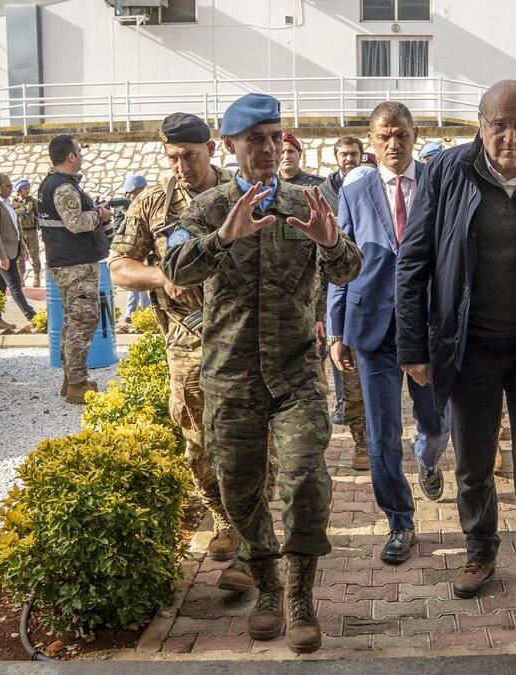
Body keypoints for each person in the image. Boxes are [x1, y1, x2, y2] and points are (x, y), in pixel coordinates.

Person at [161, 93, 361, 654]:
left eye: (277, 137)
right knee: (241, 491)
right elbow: (174, 267)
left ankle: (300, 596)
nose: (270, 148)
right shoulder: (204, 210)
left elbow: (350, 268)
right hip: (231, 376)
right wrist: (224, 237)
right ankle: (267, 588)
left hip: (296, 374)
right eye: (257, 140)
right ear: (230, 147)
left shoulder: (308, 200)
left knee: (304, 482)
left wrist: (331, 242)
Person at [395, 79, 516, 642]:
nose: (509, 138)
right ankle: (480, 546)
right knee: (475, 461)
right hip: (469, 345)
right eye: (498, 125)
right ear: (480, 124)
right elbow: (414, 264)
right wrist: (413, 347)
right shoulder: (446, 172)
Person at [109, 112, 241, 562]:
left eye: (189, 155)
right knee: (197, 439)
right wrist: (161, 277)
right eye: (172, 157)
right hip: (187, 339)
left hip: (242, 337)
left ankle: (250, 534)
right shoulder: (152, 204)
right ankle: (224, 522)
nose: (181, 165)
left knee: (248, 438)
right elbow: (120, 265)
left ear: (211, 149)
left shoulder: (239, 194)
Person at [328, 101, 451, 565]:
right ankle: (400, 520)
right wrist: (337, 328)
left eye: (401, 135)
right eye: (384, 137)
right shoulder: (355, 189)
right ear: (371, 141)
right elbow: (340, 260)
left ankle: (429, 458)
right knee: (381, 435)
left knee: (436, 422)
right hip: (372, 326)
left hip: (426, 326)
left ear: (414, 135)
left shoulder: (437, 184)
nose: (393, 145)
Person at [37, 135, 113, 403]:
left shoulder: (51, 184)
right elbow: (77, 223)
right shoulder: (64, 187)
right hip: (75, 265)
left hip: (68, 262)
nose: (81, 155)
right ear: (70, 156)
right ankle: (77, 384)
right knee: (84, 319)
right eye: (78, 151)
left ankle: (71, 379)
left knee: (74, 320)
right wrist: (101, 214)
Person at [317, 135, 370, 473]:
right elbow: (328, 265)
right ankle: (362, 440)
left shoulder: (372, 187)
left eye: (354, 153)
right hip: (344, 300)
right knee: (349, 378)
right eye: (344, 154)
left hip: (379, 301)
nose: (349, 158)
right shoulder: (322, 195)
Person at [0, 173, 37, 329]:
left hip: (11, 251)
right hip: (1, 254)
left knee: (0, 286)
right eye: (8, 186)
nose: (11, 189)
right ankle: (33, 317)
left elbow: (15, 227)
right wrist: (2, 257)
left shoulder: (7, 203)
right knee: (15, 285)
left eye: (12, 185)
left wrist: (23, 247)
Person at [118, 174, 153, 322]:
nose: (131, 196)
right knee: (135, 282)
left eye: (132, 193)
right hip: (134, 248)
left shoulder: (145, 203)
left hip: (143, 247)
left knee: (142, 282)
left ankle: (139, 312)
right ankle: (132, 313)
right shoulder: (135, 205)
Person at [12, 178, 42, 287]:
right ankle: (21, 278)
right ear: (19, 190)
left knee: (34, 255)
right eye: (25, 188)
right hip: (19, 233)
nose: (27, 190)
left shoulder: (33, 202)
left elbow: (39, 215)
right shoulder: (14, 203)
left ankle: (37, 277)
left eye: (28, 188)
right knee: (20, 257)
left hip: (31, 231)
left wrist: (40, 227)